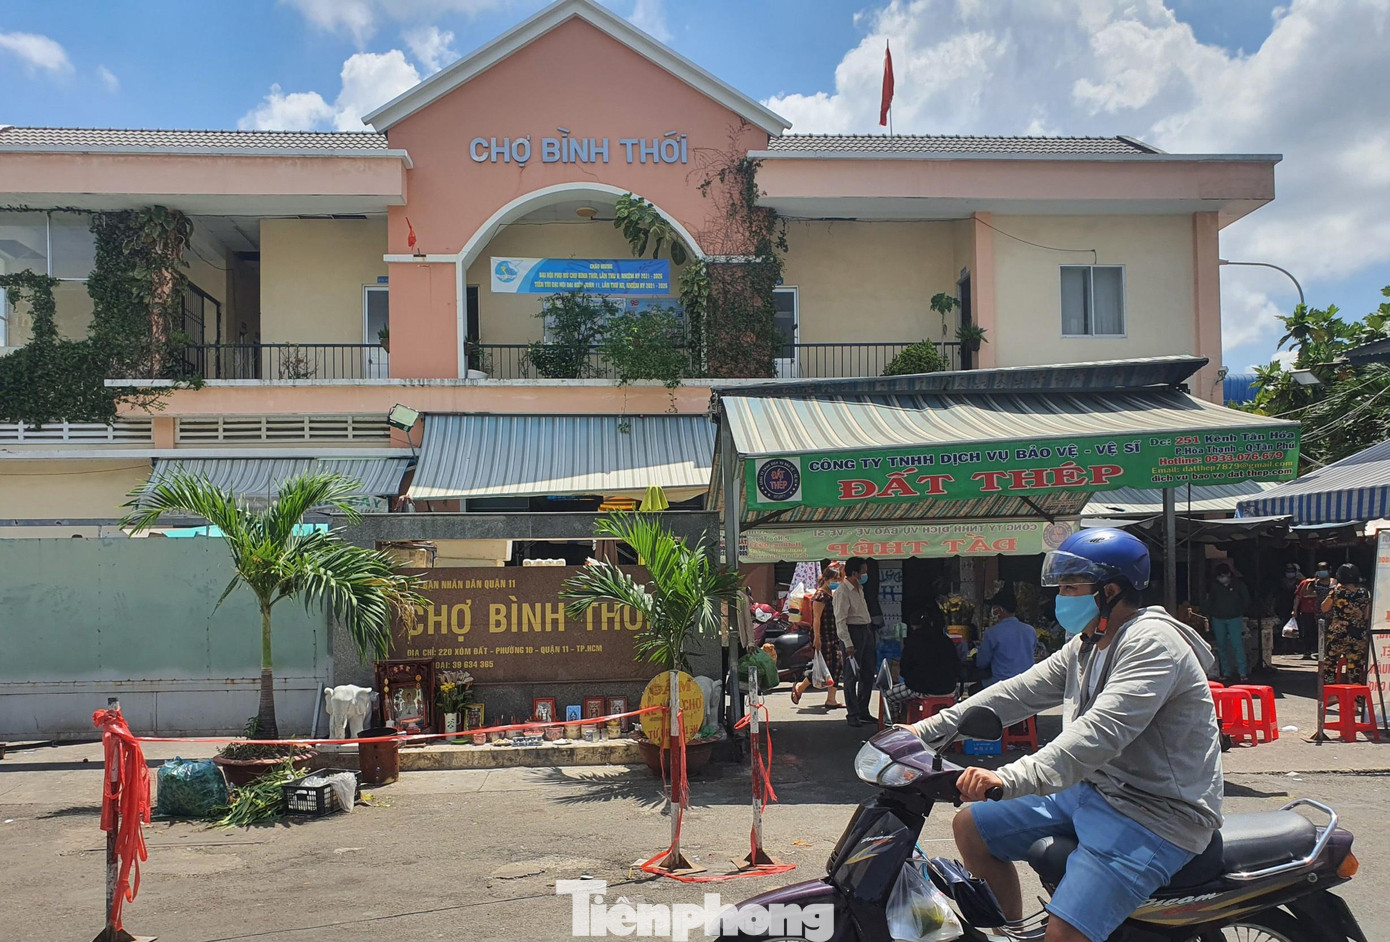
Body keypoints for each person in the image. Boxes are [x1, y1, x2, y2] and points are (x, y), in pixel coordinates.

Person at [909, 529, 1222, 942]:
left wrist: (1009, 777)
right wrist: (919, 733)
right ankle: (1005, 934)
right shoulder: (1089, 643)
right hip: (1095, 790)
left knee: (1062, 936)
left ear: (1109, 591)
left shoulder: (1153, 644)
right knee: (971, 825)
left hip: (1154, 813)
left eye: (1071, 587)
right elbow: (1016, 693)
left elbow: (1099, 734)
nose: (1061, 597)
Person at [884, 606, 962, 718]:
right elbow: (957, 666)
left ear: (912, 626)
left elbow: (904, 669)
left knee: (889, 696)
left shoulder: (913, 641)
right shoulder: (945, 640)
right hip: (950, 688)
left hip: (923, 689)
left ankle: (892, 725)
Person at [790, 562, 844, 710]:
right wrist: (817, 638)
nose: (836, 582)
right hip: (823, 635)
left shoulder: (832, 594)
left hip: (834, 634)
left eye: (838, 579)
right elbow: (816, 619)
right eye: (834, 579)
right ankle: (801, 687)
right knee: (824, 667)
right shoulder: (820, 596)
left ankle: (831, 699)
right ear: (826, 579)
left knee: (837, 665)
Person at [834, 555, 876, 728]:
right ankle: (852, 713)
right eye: (863, 572)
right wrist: (848, 643)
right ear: (854, 573)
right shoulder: (842, 592)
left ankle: (863, 709)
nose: (865, 575)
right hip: (853, 632)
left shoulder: (859, 588)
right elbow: (840, 620)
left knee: (868, 672)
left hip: (866, 629)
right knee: (851, 675)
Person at [1321, 563, 1371, 685]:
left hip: (1337, 635)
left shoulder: (1336, 591)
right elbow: (1367, 615)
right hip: (1358, 635)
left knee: (1330, 663)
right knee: (1355, 667)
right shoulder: (1365, 593)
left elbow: (1324, 608)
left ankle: (1331, 693)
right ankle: (1355, 698)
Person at [975, 590, 1039, 685]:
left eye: (994, 608)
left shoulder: (992, 632)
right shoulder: (1030, 630)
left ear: (1000, 610)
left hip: (1001, 685)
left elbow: (981, 663)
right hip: (1027, 684)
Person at [1205, 563, 1252, 683]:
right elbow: (1210, 601)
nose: (1222, 578)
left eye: (1224, 575)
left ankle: (1242, 672)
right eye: (1219, 576)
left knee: (1238, 645)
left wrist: (1240, 611)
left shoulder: (1239, 585)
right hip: (1218, 618)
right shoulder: (1214, 586)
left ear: (1229, 574)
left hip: (1235, 618)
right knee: (1221, 646)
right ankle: (1226, 672)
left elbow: (1246, 600)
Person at [1292, 563, 1335, 661]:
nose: (1322, 572)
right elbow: (1304, 594)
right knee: (1315, 632)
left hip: (1331, 611)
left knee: (1329, 632)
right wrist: (1307, 582)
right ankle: (1317, 651)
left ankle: (1328, 652)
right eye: (1320, 569)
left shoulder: (1334, 582)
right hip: (1317, 612)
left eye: (1324, 569)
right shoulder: (1314, 583)